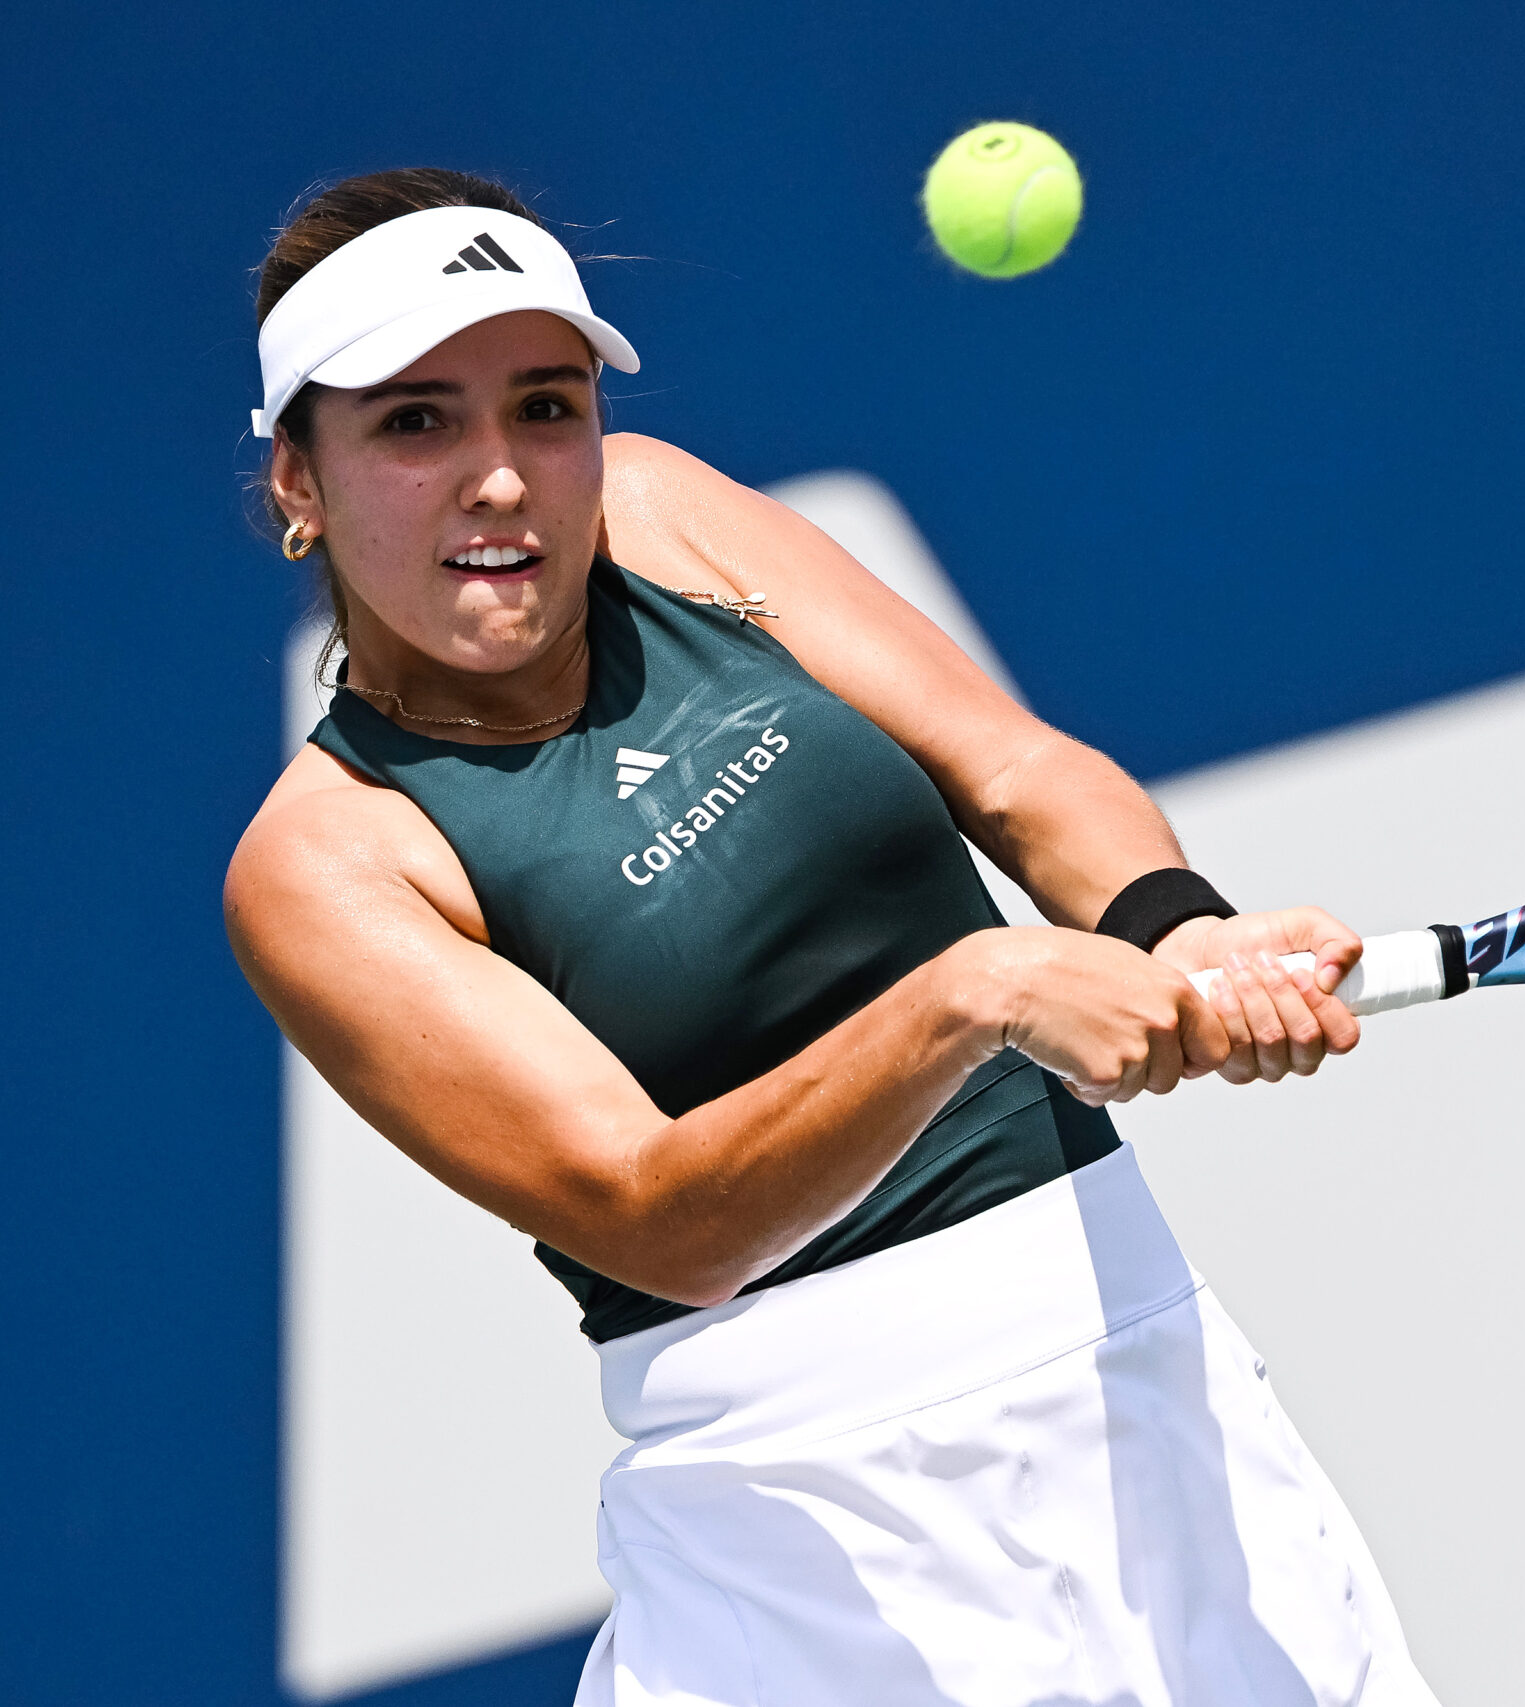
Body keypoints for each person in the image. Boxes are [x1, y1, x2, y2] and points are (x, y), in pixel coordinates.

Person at [224, 167, 1441, 1707]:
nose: (503, 479)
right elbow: (653, 1217)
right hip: (800, 1549)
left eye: (546, 406)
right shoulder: (327, 860)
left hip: (1143, 1381)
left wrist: (1178, 929)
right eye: (416, 423)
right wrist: (968, 998)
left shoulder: (661, 513)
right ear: (300, 481)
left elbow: (1016, 770)